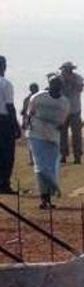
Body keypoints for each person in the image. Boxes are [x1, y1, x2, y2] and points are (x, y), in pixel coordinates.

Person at [27, 75, 70, 209]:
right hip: (37, 134)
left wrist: (61, 128)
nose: (55, 88)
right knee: (40, 165)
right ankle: (44, 197)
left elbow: (64, 121)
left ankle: (49, 195)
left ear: (61, 87)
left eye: (58, 85)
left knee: (51, 166)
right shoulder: (38, 97)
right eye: (53, 85)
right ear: (49, 85)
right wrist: (27, 126)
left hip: (53, 137)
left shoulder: (64, 102)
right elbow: (29, 114)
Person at [0, 56, 21, 194]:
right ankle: (4, 184)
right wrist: (16, 125)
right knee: (7, 154)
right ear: (4, 67)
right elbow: (9, 106)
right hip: (3, 120)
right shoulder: (5, 84)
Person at [57, 61, 84, 165]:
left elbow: (80, 88)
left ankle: (77, 156)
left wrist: (70, 81)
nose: (65, 72)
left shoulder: (78, 78)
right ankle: (62, 155)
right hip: (62, 110)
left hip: (75, 109)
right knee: (61, 135)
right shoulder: (59, 78)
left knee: (76, 134)